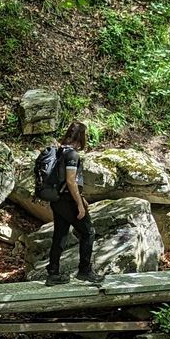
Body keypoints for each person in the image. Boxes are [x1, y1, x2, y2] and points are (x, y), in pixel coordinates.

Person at [43, 120, 100, 286]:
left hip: (57, 201)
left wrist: (81, 198)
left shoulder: (58, 151)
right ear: (81, 138)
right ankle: (85, 271)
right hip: (68, 201)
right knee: (88, 232)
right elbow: (70, 181)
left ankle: (53, 273)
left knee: (60, 235)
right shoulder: (72, 155)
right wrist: (79, 204)